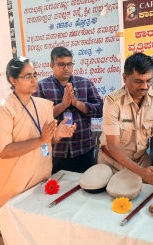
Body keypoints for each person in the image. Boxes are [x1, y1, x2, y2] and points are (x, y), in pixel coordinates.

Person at [0, 57, 76, 245]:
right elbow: (4, 151)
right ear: (13, 80)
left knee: (39, 238)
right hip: (14, 183)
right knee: (17, 242)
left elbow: (48, 140)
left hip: (40, 179)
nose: (34, 80)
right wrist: (42, 139)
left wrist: (57, 135)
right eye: (27, 76)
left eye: (35, 75)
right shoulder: (3, 108)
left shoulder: (43, 105)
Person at [97, 53, 153, 186]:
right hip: (112, 165)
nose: (145, 86)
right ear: (125, 77)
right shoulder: (113, 102)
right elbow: (113, 146)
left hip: (142, 162)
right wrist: (141, 172)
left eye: (148, 81)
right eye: (138, 81)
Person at [33, 46, 103, 174]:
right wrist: (63, 105)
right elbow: (37, 117)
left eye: (69, 64)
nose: (66, 68)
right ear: (51, 65)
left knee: (88, 188)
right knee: (58, 190)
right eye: (61, 64)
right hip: (56, 152)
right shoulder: (41, 87)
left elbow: (100, 109)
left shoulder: (85, 83)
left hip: (84, 149)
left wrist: (77, 103)